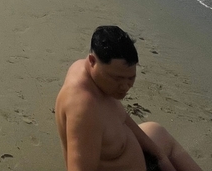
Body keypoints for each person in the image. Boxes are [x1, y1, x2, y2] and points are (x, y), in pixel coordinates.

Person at [56, 26, 203, 171]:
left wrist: (162, 159)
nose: (125, 86)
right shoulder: (83, 108)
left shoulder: (93, 77)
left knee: (156, 131)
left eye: (131, 78)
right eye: (117, 78)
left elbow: (123, 119)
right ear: (92, 61)